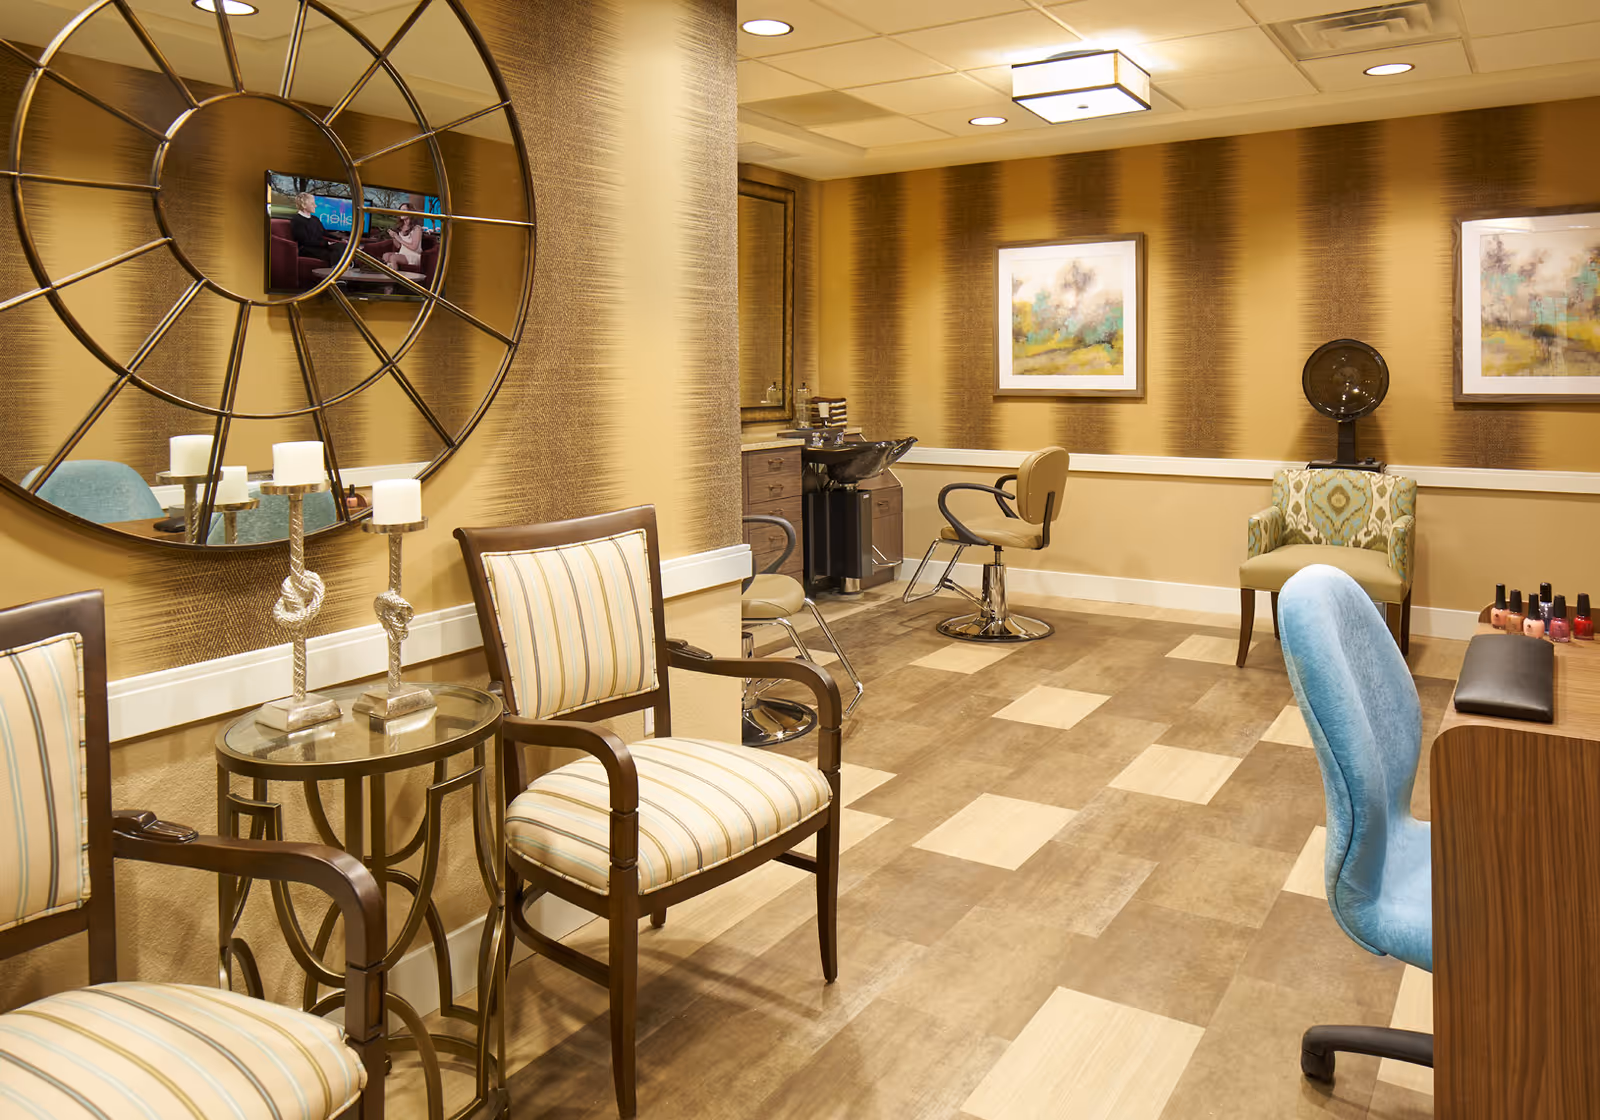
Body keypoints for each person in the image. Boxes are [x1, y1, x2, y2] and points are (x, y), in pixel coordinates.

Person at [289, 191, 345, 266]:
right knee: (334, 253)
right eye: (312, 204)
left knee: (342, 246)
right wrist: (326, 243)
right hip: (307, 249)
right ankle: (335, 274)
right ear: (304, 205)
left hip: (320, 246)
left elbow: (324, 233)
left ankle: (342, 270)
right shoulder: (297, 220)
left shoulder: (315, 219)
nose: (315, 206)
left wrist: (340, 239)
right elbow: (304, 241)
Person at [382, 203, 425, 274]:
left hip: (413, 255)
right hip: (402, 253)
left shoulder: (417, 228)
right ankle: (387, 275)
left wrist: (399, 238)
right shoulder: (401, 227)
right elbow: (398, 246)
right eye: (400, 210)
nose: (401, 212)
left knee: (393, 257)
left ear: (410, 212)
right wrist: (394, 237)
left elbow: (414, 247)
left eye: (404, 210)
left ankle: (394, 280)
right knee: (385, 256)